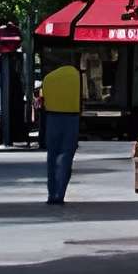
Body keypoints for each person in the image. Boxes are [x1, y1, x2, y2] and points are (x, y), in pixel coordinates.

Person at [38, 61, 82, 203]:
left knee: (52, 156)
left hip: (52, 118)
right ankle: (60, 193)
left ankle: (52, 193)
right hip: (71, 117)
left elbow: (43, 101)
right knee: (66, 156)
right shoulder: (75, 75)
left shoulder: (48, 79)